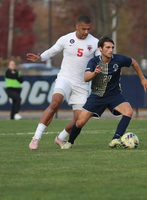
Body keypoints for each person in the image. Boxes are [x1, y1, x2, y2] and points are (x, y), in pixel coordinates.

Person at [61, 36, 147, 149]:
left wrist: (142, 78)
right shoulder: (94, 61)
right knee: (80, 122)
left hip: (114, 95)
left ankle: (115, 139)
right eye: (107, 47)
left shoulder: (118, 59)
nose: (110, 50)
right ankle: (70, 142)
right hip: (97, 96)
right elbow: (86, 78)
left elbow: (133, 62)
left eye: (112, 47)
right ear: (100, 48)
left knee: (128, 111)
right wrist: (94, 73)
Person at [26, 15, 100, 150]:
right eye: (83, 29)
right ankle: (36, 137)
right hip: (65, 79)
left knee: (80, 120)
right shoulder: (66, 39)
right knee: (55, 103)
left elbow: (101, 59)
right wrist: (40, 57)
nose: (86, 32)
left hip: (82, 85)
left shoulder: (95, 42)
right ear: (77, 27)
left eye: (88, 29)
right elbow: (52, 51)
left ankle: (60, 138)